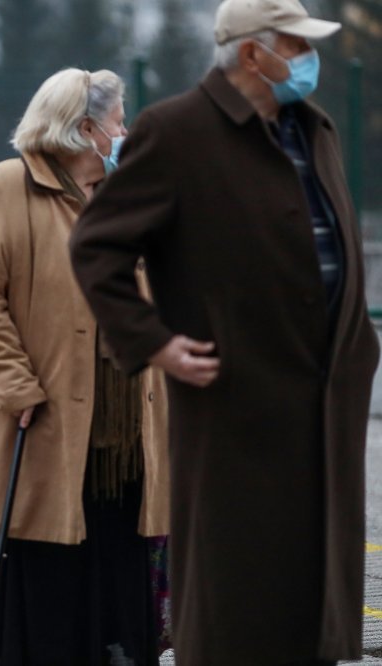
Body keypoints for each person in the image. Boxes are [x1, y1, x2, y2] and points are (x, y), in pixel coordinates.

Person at [68, 1, 380, 664]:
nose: (309, 59)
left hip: (327, 400)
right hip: (238, 403)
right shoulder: (177, 131)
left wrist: (359, 348)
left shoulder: (314, 127)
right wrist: (154, 342)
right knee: (239, 595)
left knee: (315, 593)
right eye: (296, 45)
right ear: (251, 53)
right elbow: (97, 247)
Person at [0, 68, 169, 666]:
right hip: (44, 419)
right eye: (119, 121)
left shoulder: (124, 194)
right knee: (45, 557)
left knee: (120, 561)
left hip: (127, 432)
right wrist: (14, 383)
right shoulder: (8, 186)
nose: (125, 133)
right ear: (86, 129)